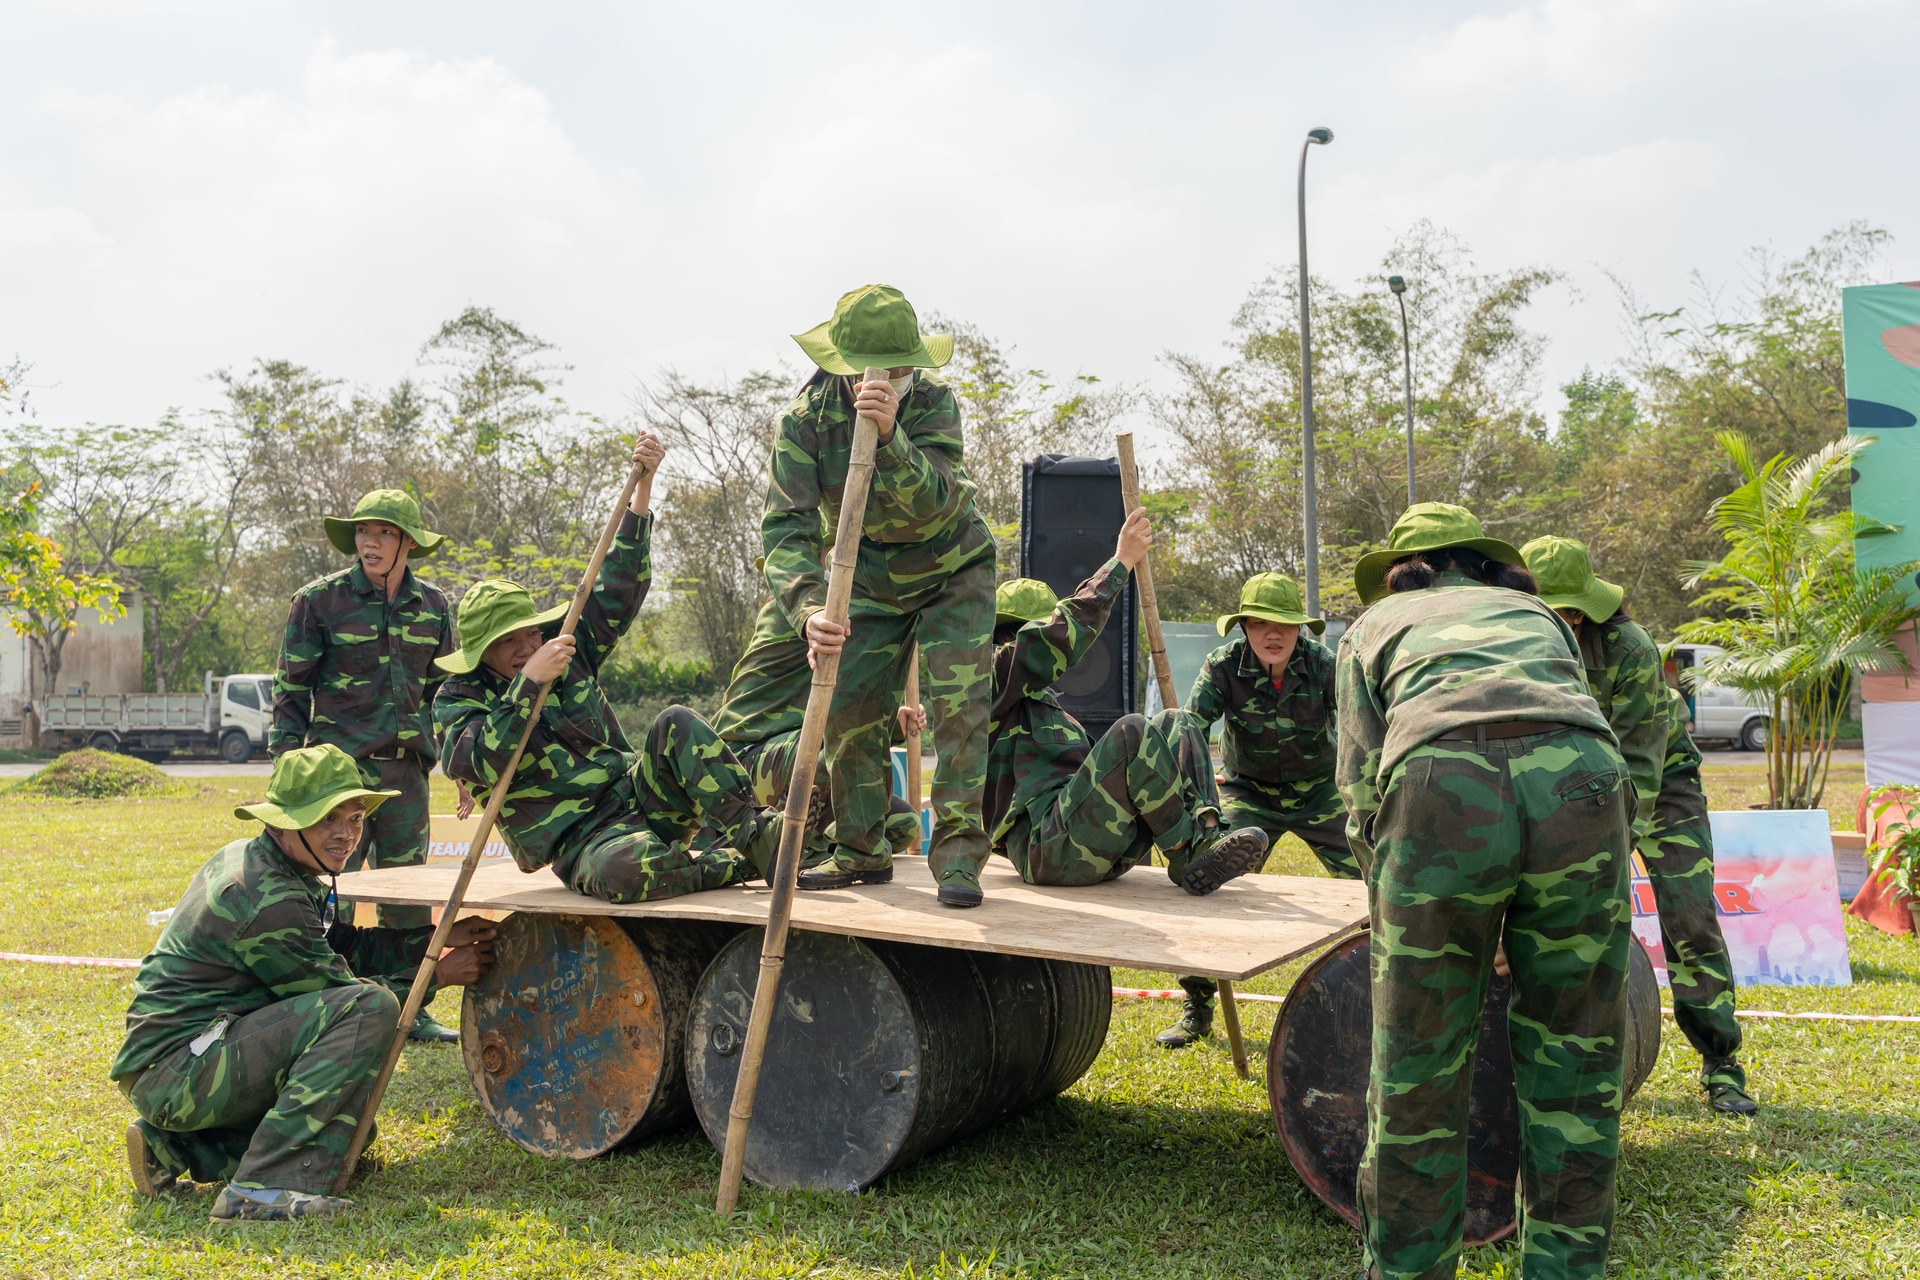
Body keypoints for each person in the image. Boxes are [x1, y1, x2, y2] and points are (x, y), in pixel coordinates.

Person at [1336, 502, 1632, 1280]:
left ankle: (1405, 1271)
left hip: (1440, 779)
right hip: (1585, 784)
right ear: (1487, 562)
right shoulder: (1538, 613)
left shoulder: (1378, 623)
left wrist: (1403, 903)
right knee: (1577, 1060)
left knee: (1417, 1067)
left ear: (1402, 571)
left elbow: (1360, 788)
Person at [110, 745, 497, 1221]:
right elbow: (346, 998)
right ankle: (262, 1191)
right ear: (285, 822)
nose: (346, 834)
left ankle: (172, 1149)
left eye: (355, 818)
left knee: (347, 1135)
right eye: (327, 819)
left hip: (182, 1058)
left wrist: (433, 938)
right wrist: (437, 973)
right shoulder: (267, 899)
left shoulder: (269, 862)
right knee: (369, 1009)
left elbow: (342, 944)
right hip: (177, 1069)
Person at [434, 434, 783, 903]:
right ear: (481, 651)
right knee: (624, 871)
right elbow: (477, 762)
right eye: (509, 642)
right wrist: (528, 682)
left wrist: (642, 493)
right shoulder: (458, 699)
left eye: (530, 633)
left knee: (676, 721)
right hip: (583, 842)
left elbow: (617, 590)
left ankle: (757, 837)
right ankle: (723, 866)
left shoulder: (567, 646)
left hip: (639, 796)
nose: (526, 646)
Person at [750, 284, 996, 907]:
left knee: (957, 707)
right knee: (849, 705)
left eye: (905, 367)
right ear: (844, 365)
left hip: (952, 569)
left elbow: (939, 498)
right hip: (865, 574)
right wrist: (809, 607)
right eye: (879, 369)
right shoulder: (806, 421)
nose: (896, 377)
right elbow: (786, 526)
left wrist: (891, 438)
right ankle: (860, 850)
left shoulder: (935, 404)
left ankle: (959, 858)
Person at [1522, 534, 1757, 1116]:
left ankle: (1721, 1062)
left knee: (1691, 918)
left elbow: (1641, 768)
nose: (1564, 622)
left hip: (1659, 783)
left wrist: (1604, 852)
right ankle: (1583, 1062)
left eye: (1572, 611)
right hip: (1568, 787)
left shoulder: (1630, 648)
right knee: (1577, 920)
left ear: (1588, 610)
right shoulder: (1511, 647)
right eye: (1552, 611)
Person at [986, 508, 1270, 892]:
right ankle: (1186, 850)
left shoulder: (1052, 710)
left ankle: (1206, 833)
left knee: (1176, 721)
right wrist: (1121, 562)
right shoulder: (987, 685)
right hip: (1047, 849)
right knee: (1131, 731)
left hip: (1098, 844)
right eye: (1016, 636)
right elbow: (1053, 638)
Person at [271, 486, 458, 1043]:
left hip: (407, 777)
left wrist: (463, 764)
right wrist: (286, 769)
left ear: (407, 543)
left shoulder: (434, 607)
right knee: (335, 891)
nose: (370, 543)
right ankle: (337, 1003)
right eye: (362, 532)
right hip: (338, 779)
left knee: (407, 895)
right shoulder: (318, 601)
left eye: (383, 533)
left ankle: (412, 1008)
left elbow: (444, 693)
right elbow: (290, 689)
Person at [1160, 570, 1358, 1050]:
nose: (1274, 635)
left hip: (1320, 791)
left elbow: (1361, 727)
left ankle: (1379, 996)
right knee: (1207, 889)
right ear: (1243, 627)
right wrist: (1203, 814)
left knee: (1377, 881)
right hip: (1248, 792)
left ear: (1300, 629)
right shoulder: (1222, 666)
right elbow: (1190, 732)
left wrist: (1365, 795)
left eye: (1286, 625)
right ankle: (1198, 1008)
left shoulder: (1326, 665)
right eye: (1261, 623)